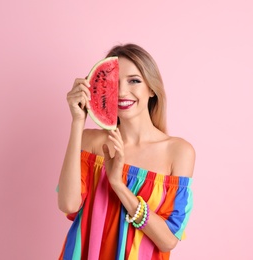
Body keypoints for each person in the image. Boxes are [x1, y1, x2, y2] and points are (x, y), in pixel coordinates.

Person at [57, 43, 195, 260]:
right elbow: (68, 204)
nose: (121, 91)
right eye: (112, 83)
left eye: (134, 80)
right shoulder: (90, 141)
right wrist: (77, 122)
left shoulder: (178, 152)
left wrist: (118, 185)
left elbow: (168, 240)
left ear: (151, 88)